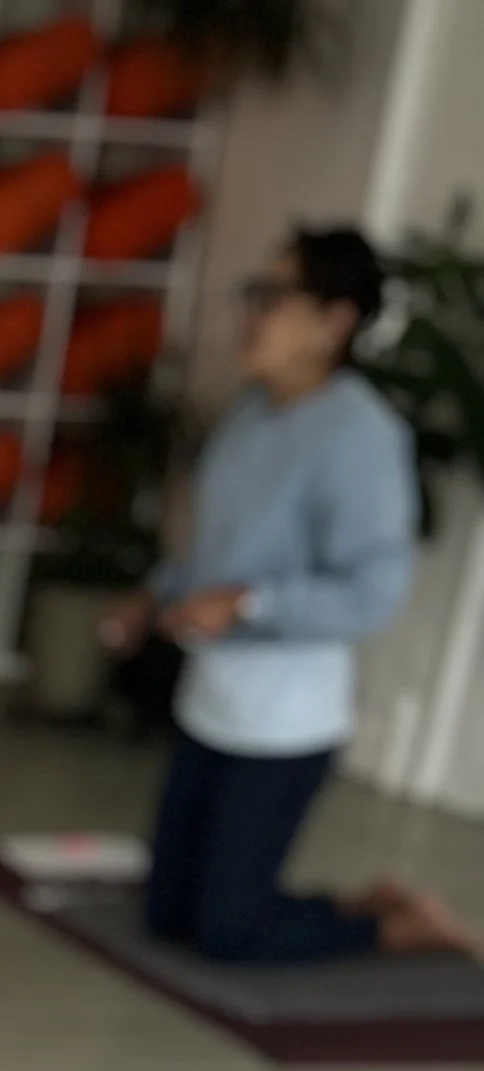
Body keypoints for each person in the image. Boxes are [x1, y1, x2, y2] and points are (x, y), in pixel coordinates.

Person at [102, 226, 475, 966]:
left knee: (227, 936)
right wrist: (153, 598)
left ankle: (402, 928)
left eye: (274, 297)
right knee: (167, 914)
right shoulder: (248, 416)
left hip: (286, 725)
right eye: (256, 293)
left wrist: (251, 604)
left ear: (335, 321)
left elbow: (373, 594)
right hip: (213, 703)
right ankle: (367, 900)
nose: (254, 314)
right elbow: (215, 556)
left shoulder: (360, 438)